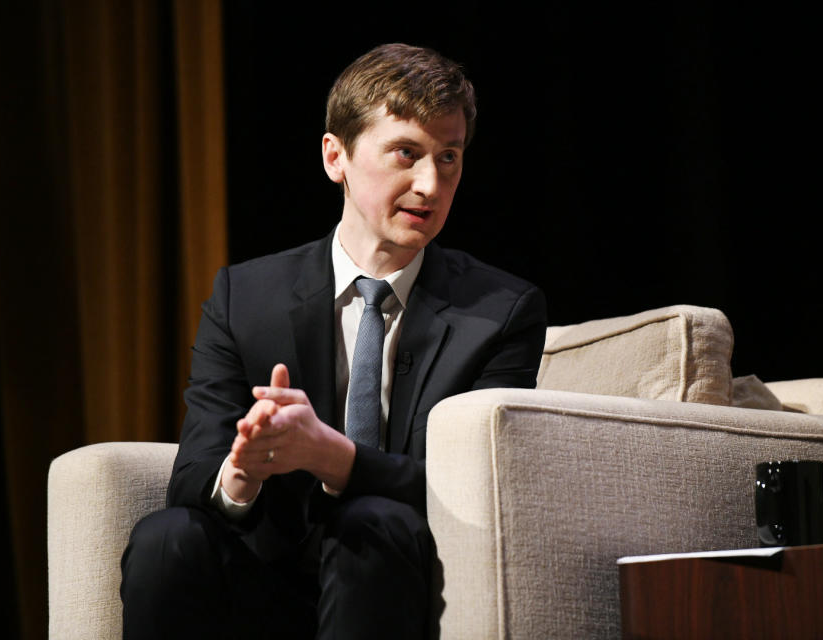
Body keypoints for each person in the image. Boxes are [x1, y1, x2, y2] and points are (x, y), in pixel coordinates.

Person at [120, 43, 547, 639]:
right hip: (265, 577)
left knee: (372, 521)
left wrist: (333, 458)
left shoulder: (501, 312)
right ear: (335, 156)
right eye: (406, 153)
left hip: (393, 578)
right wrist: (243, 470)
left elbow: (477, 486)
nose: (430, 183)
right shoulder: (246, 295)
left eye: (448, 158)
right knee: (165, 537)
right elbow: (193, 473)